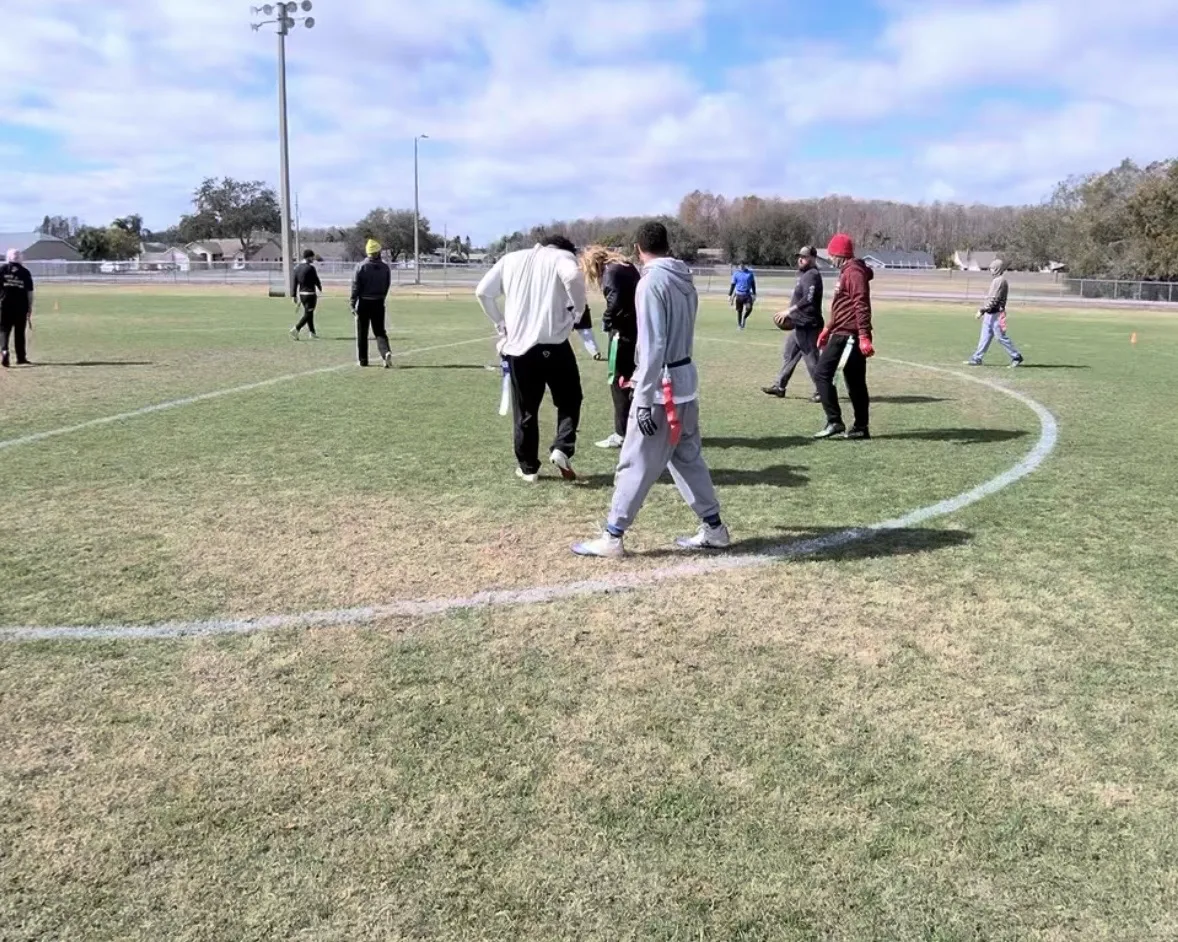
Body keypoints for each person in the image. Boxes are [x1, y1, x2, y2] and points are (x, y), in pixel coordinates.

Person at [573, 221, 728, 558]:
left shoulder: (650, 283)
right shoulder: (685, 279)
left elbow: (653, 344)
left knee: (635, 461)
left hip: (662, 391)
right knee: (688, 460)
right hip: (685, 384)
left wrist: (642, 397)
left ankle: (613, 535)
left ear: (639, 248)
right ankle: (714, 528)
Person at [475, 234, 588, 483]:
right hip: (555, 345)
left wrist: (500, 323)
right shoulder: (562, 256)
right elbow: (572, 276)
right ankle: (562, 446)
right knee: (569, 399)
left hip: (519, 349)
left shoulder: (511, 259)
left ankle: (528, 468)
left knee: (526, 410)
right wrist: (578, 310)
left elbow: (483, 292)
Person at [813, 233, 874, 440]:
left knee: (822, 373)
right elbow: (842, 307)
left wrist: (864, 335)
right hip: (842, 332)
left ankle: (834, 420)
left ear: (840, 254)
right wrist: (827, 328)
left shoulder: (854, 272)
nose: (830, 259)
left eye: (831, 255)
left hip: (848, 335)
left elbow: (861, 304)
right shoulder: (846, 271)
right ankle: (861, 427)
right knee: (855, 382)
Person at [580, 245, 641, 449]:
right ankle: (636, 427)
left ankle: (622, 432)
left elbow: (614, 301)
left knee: (617, 380)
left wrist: (607, 320)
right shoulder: (627, 266)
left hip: (622, 334)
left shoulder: (611, 271)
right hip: (637, 331)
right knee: (634, 380)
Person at [762, 245, 824, 402]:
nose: (800, 259)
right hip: (798, 324)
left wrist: (788, 311)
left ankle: (822, 391)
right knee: (789, 355)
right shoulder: (803, 275)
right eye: (800, 256)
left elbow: (808, 299)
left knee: (811, 359)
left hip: (808, 324)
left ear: (813, 258)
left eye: (804, 257)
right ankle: (779, 387)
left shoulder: (812, 275)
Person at [965, 258, 1024, 367]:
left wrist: (982, 310)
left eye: (992, 268)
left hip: (996, 314)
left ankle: (1016, 356)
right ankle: (977, 358)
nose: (991, 270)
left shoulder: (1000, 281)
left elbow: (994, 299)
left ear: (997, 269)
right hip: (989, 314)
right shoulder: (996, 280)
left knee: (1000, 337)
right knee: (985, 337)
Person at [351, 239, 394, 368]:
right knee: (380, 331)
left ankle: (363, 360)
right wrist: (382, 297)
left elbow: (355, 285)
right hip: (378, 302)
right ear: (378, 252)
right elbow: (387, 284)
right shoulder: (385, 267)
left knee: (362, 332)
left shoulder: (360, 266)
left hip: (364, 302)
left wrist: (353, 302)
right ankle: (385, 352)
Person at [0, 248, 35, 368]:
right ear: (20, 258)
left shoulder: (2, 270)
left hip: (4, 305)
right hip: (21, 306)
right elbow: (29, 292)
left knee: (4, 330)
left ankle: (4, 351)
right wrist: (30, 307)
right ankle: (21, 357)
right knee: (19, 332)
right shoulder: (25, 272)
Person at [289, 249, 323, 339]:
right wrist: (320, 288)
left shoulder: (297, 268)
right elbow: (316, 280)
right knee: (308, 314)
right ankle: (296, 329)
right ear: (308, 257)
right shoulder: (311, 268)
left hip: (302, 295)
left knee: (309, 313)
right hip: (310, 294)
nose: (313, 259)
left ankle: (312, 333)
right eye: (312, 257)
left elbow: (295, 282)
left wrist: (293, 295)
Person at [729, 262, 757, 330]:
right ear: (738, 266)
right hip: (739, 295)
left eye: (743, 265)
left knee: (749, 308)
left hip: (747, 295)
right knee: (739, 311)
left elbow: (753, 284)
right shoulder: (736, 274)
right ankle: (739, 325)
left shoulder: (750, 274)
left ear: (745, 265)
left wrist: (754, 293)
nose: (741, 266)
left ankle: (744, 318)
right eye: (740, 265)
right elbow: (733, 285)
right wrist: (730, 295)